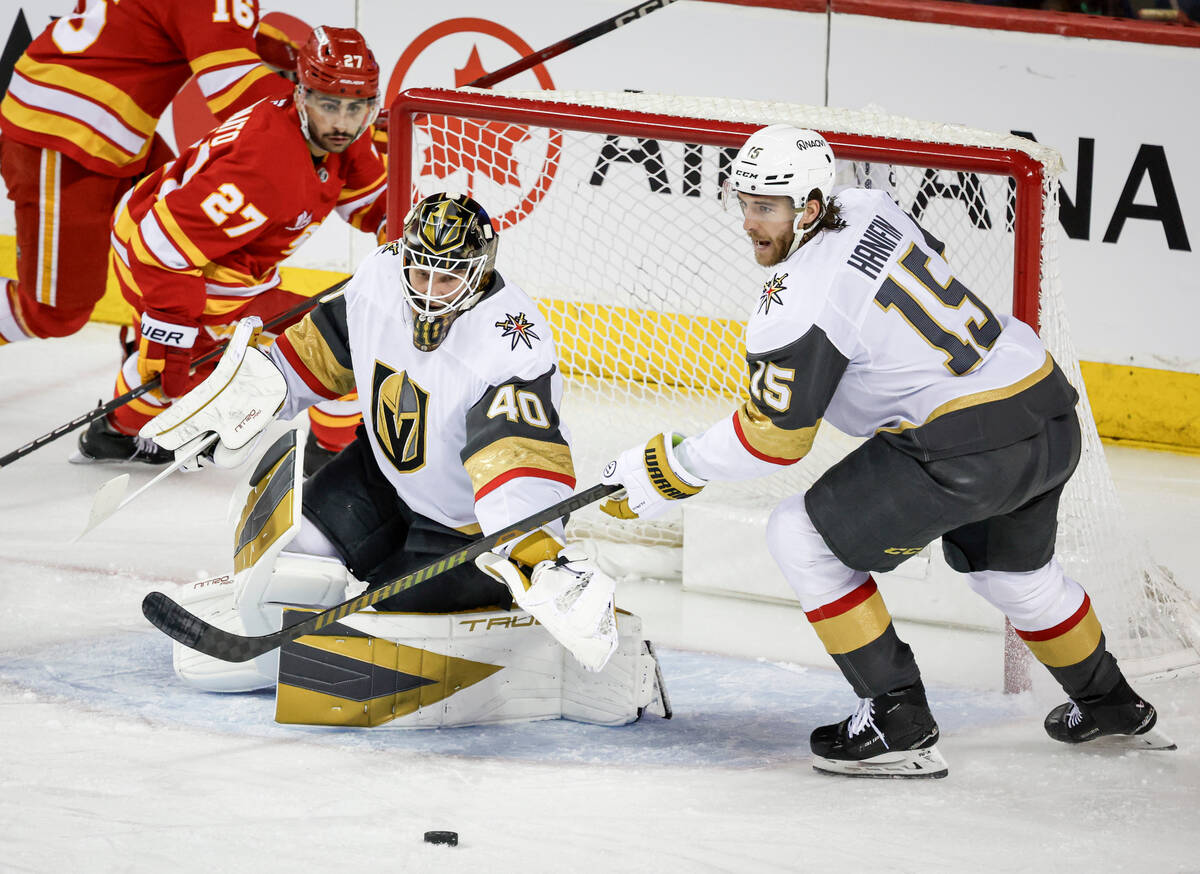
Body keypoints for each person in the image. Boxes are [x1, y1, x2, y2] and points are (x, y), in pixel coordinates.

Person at [599, 124, 1173, 778]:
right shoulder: (871, 206)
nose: (750, 222)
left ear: (811, 207)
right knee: (1013, 576)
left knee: (800, 534)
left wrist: (668, 469)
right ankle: (1111, 703)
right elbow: (917, 269)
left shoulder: (796, 301)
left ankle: (897, 719)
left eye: (768, 206)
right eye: (746, 203)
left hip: (966, 445)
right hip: (1045, 407)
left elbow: (775, 440)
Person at [136, 193, 647, 719]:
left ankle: (499, 605)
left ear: (480, 270)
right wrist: (244, 403)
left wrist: (536, 553)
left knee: (381, 635)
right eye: (420, 272)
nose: (428, 292)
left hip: (466, 527)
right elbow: (322, 351)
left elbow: (516, 463)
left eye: (447, 278)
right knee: (288, 553)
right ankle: (276, 645)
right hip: (384, 475)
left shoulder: (509, 345)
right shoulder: (380, 276)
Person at [72, 25, 386, 468]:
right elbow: (161, 245)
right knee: (181, 369)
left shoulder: (334, 135)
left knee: (334, 347)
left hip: (214, 259)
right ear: (301, 95)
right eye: (329, 105)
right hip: (165, 256)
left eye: (356, 108)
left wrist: (402, 232)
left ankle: (333, 458)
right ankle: (116, 433)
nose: (342, 122)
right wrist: (169, 331)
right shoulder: (265, 169)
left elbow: (373, 202)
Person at [0, 0, 294, 346]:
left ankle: (151, 350)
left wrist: (307, 60)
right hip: (65, 130)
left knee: (188, 245)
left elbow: (222, 27)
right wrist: (326, 114)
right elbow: (232, 87)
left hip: (107, 125)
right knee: (54, 312)